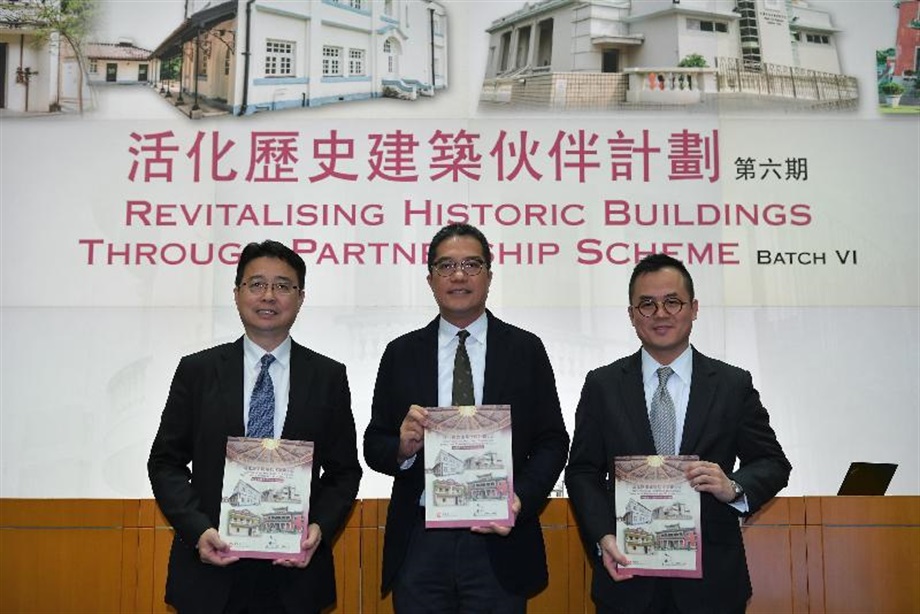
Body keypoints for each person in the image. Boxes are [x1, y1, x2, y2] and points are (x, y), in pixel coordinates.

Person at [565, 253, 791, 614]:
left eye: (673, 302)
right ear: (631, 314)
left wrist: (732, 486)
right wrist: (603, 536)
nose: (661, 314)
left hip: (712, 583)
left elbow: (772, 462)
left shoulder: (732, 384)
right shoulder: (602, 385)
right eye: (647, 304)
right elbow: (581, 471)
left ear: (694, 308)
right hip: (626, 576)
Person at [363, 223, 570, 613]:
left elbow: (553, 441)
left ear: (490, 275)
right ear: (430, 279)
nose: (459, 275)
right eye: (446, 266)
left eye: (472, 264)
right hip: (420, 540)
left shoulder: (525, 350)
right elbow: (374, 443)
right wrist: (403, 448)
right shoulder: (400, 353)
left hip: (500, 537)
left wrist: (519, 500)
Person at [148, 240, 362, 614]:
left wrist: (319, 528)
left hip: (295, 576)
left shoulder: (328, 376)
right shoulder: (197, 371)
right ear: (237, 293)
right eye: (256, 284)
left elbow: (344, 472)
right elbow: (165, 462)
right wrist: (198, 530)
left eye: (282, 286)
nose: (269, 296)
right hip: (210, 571)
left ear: (300, 297)